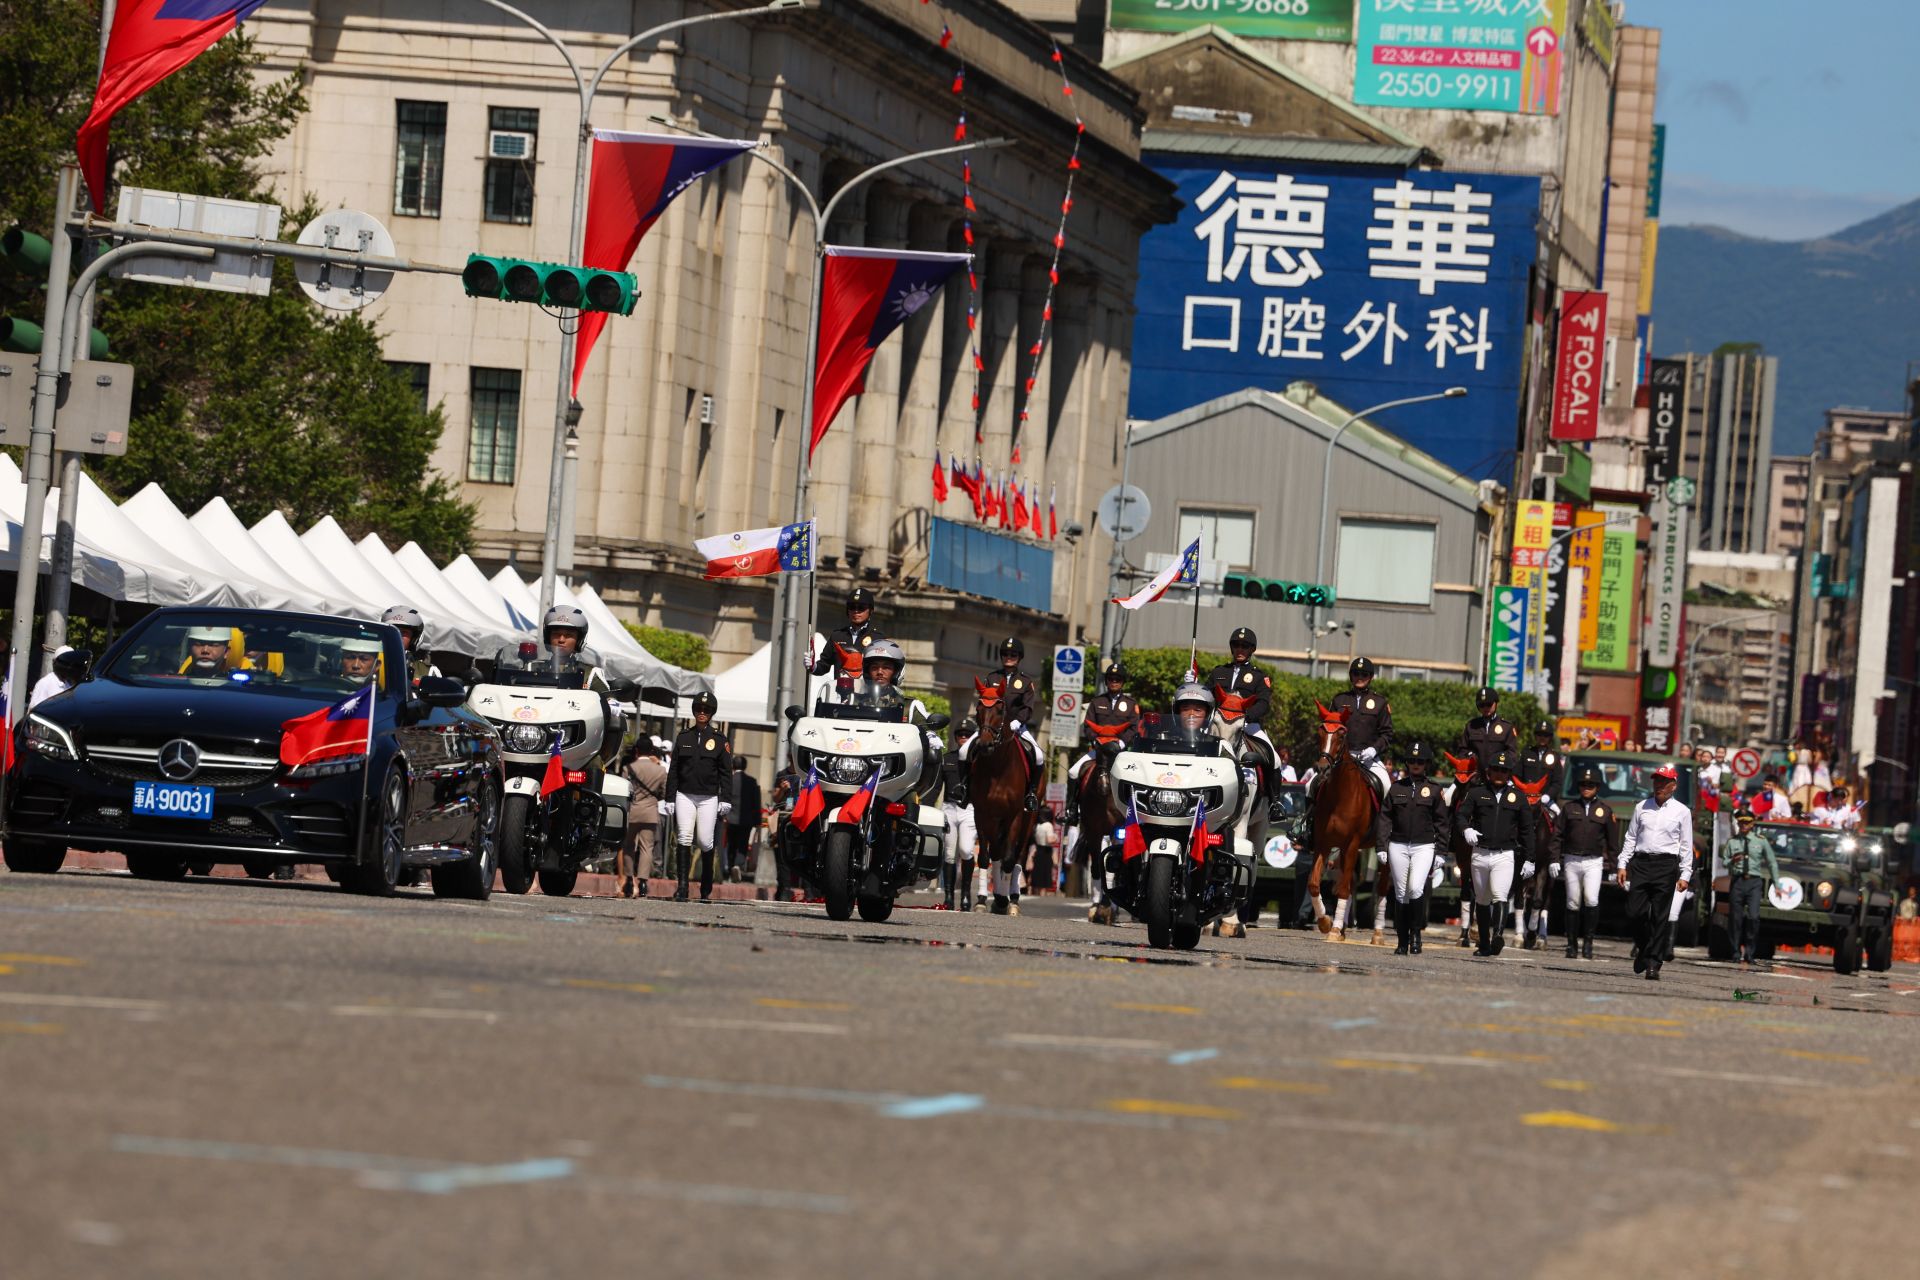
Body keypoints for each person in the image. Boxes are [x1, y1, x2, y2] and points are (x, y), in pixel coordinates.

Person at [1618, 763, 1693, 981]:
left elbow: (1686, 845)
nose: (1659, 785)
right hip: (1641, 864)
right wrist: (1623, 864)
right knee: (1634, 912)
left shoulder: (1682, 811)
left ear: (1673, 785)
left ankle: (1653, 963)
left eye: (1664, 781)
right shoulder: (1642, 807)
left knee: (1661, 917)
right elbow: (1631, 837)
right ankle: (1644, 948)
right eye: (1656, 780)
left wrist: (1685, 874)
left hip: (1665, 865)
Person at [1457, 748, 1534, 958]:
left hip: (1504, 854)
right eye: (1496, 770)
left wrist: (1530, 859)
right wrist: (1466, 829)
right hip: (1480, 853)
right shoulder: (1476, 793)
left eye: (1504, 770)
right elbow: (1461, 816)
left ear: (1509, 773)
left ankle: (1498, 935)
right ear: (1489, 772)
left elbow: (1527, 830)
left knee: (1500, 896)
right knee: (1481, 899)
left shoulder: (1518, 798)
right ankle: (1484, 943)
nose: (1499, 773)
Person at [959, 637, 1043, 812]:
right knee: (963, 751)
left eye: (1013, 654)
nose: (1009, 657)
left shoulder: (1026, 682)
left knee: (1038, 755)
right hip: (990, 726)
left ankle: (1031, 794)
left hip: (1016, 726)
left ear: (1019, 657)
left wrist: (1018, 721)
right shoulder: (992, 677)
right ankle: (964, 789)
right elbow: (984, 703)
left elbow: (1028, 707)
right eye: (1005, 654)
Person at [1382, 742, 1451, 955]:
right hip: (1398, 844)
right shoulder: (1396, 788)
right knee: (1401, 892)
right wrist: (1381, 846)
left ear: (1426, 764)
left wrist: (1441, 852)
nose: (1415, 765)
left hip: (1424, 845)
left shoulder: (1434, 790)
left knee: (1415, 888)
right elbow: (1384, 818)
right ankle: (1402, 942)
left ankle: (1416, 936)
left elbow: (1442, 823)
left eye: (1420, 761)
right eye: (1412, 761)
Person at [664, 690, 732, 902]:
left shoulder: (720, 740)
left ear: (712, 713)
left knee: (704, 841)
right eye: (699, 709)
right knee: (684, 837)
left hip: (708, 797)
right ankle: (682, 886)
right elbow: (674, 769)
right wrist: (669, 797)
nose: (702, 713)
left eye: (707, 710)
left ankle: (706, 882)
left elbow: (725, 772)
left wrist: (726, 798)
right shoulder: (684, 737)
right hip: (685, 794)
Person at [1553, 764, 1620, 960]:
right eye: (1583, 784)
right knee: (1573, 902)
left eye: (1591, 784)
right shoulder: (1569, 808)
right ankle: (1571, 945)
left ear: (1598, 787)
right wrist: (1554, 859)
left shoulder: (1605, 811)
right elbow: (1557, 835)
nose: (1586, 787)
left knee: (1591, 899)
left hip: (1594, 861)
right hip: (1572, 859)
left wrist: (1615, 867)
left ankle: (1588, 943)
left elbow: (1613, 842)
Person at [1065, 660, 1140, 826]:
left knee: (1137, 777)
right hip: (1098, 751)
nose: (1114, 682)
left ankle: (1137, 815)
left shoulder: (1130, 704)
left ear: (1123, 682)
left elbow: (1134, 728)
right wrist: (1095, 739)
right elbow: (1088, 725)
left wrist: (1121, 743)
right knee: (1072, 772)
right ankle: (1072, 810)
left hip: (1120, 752)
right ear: (1106, 681)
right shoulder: (1097, 702)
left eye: (1118, 679)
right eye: (1111, 679)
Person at [1206, 627, 1277, 800]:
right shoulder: (1219, 672)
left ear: (1251, 650)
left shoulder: (1259, 676)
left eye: (1245, 646)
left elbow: (1263, 702)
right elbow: (1206, 696)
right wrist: (1193, 684)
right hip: (1218, 723)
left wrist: (1247, 716)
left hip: (1246, 724)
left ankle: (1274, 802)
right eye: (1237, 645)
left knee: (1275, 758)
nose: (1240, 649)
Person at [1326, 656, 1393, 799]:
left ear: (1370, 677)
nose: (1360, 677)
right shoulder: (1339, 700)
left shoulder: (1380, 702)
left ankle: (1385, 822)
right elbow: (1330, 729)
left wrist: (1373, 750)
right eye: (1356, 673)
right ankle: (1309, 821)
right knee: (1310, 785)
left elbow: (1387, 734)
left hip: (1369, 759)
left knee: (1387, 787)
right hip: (1341, 758)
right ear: (1351, 676)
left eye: (1364, 674)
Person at [1722, 809, 1780, 968]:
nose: (1744, 825)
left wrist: (1777, 884)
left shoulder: (1760, 841)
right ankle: (1735, 951)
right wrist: (1732, 861)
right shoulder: (1733, 842)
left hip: (1754, 882)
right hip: (1738, 881)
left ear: (1752, 824)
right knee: (1735, 918)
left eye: (1747, 822)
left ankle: (1750, 952)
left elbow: (1772, 862)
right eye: (1741, 822)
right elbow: (1724, 862)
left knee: (1753, 917)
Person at [808, 586, 884, 694]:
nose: (856, 611)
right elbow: (824, 666)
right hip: (840, 697)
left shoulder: (878, 638)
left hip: (866, 699)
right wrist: (813, 666)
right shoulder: (837, 636)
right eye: (852, 607)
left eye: (861, 607)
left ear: (871, 610)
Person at [618, 738, 668, 898]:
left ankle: (629, 881)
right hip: (651, 812)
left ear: (636, 751)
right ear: (652, 752)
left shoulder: (628, 768)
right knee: (647, 847)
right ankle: (644, 882)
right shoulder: (660, 771)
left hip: (633, 811)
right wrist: (653, 799)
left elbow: (626, 791)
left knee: (629, 846)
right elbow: (664, 793)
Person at [940, 718, 979, 910]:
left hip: (968, 809)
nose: (963, 738)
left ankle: (965, 894)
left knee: (965, 850)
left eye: (967, 735)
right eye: (960, 735)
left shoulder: (977, 761)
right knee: (948, 853)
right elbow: (937, 787)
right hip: (949, 807)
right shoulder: (946, 758)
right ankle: (948, 896)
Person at [1461, 686, 1518, 772]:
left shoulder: (1507, 727)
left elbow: (1512, 755)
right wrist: (1470, 758)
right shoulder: (1471, 726)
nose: (1485, 708)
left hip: (1498, 777)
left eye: (1489, 704)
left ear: (1496, 703)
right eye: (1482, 705)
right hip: (1474, 778)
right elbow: (1462, 751)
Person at [725, 759, 762, 884]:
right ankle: (738, 865)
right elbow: (756, 802)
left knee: (731, 844)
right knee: (743, 845)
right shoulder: (752, 782)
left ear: (733, 765)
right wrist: (757, 820)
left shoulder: (729, 780)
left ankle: (730, 868)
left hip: (730, 818)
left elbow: (724, 797)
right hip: (746, 820)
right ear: (745, 766)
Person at [382, 604, 440, 681]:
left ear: (414, 638)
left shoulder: (428, 672)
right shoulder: (369, 664)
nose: (397, 636)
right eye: (393, 631)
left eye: (404, 632)